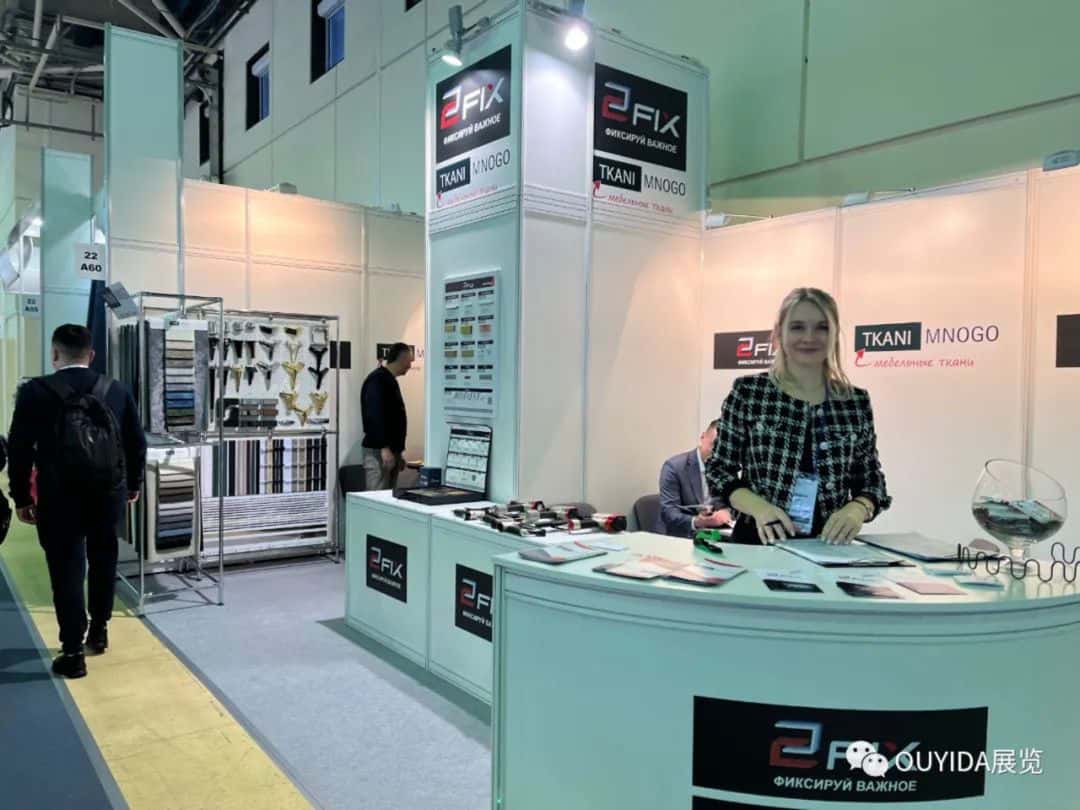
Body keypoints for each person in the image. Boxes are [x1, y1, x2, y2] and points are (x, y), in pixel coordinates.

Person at [8, 324, 147, 678]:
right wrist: (133, 484)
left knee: (66, 571)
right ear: (92, 355)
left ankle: (72, 652)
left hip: (58, 497)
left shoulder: (35, 391)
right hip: (108, 494)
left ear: (55, 354)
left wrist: (21, 497)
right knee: (103, 561)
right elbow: (135, 442)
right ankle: (99, 631)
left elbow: (19, 449)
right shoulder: (116, 390)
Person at [705, 288, 890, 545]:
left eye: (822, 327)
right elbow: (718, 471)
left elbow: (871, 481)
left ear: (835, 334)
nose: (809, 337)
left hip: (828, 547)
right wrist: (759, 508)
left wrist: (858, 509)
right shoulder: (749, 392)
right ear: (779, 333)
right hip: (758, 543)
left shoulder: (854, 401)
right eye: (797, 327)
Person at [658, 420, 734, 537]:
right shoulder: (674, 467)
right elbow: (669, 513)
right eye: (714, 445)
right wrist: (698, 521)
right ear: (702, 437)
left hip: (717, 533)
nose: (718, 453)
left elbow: (732, 504)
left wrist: (727, 512)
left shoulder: (726, 468)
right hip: (682, 535)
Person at [360, 342, 413, 490]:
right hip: (379, 453)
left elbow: (393, 419)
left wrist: (398, 453)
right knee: (377, 497)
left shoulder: (389, 380)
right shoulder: (377, 380)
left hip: (390, 451)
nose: (410, 366)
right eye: (409, 361)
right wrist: (384, 448)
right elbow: (374, 415)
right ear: (401, 359)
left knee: (388, 498)